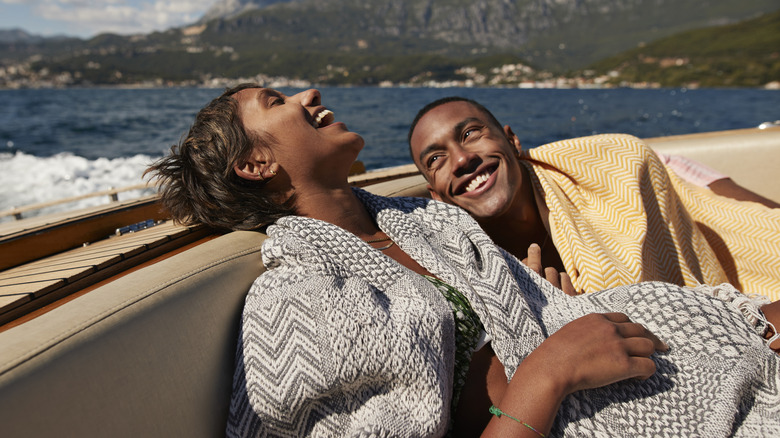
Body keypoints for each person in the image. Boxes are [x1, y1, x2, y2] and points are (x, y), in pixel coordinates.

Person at [146, 84, 780, 437]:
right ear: (256, 164)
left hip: (685, 381)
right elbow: (541, 360)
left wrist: (749, 316)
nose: (308, 92)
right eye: (276, 98)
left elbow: (572, 314)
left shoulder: (433, 226)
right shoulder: (298, 301)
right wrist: (546, 373)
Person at [408, 97, 780, 299]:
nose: (461, 160)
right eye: (435, 159)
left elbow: (685, 289)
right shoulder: (460, 267)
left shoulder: (613, 169)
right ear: (436, 195)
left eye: (471, 133)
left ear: (513, 141)